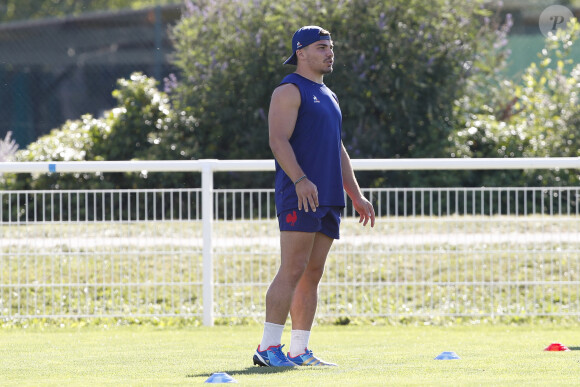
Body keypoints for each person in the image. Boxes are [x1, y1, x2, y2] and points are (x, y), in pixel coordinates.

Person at [253, 25, 375, 368]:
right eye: (322, 47)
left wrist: (356, 194)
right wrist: (301, 180)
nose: (330, 52)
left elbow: (337, 150)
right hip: (300, 195)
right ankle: (267, 348)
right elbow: (278, 141)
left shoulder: (330, 95)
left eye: (331, 47)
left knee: (312, 274)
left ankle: (299, 351)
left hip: (329, 197)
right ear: (301, 52)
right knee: (292, 269)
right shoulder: (289, 90)